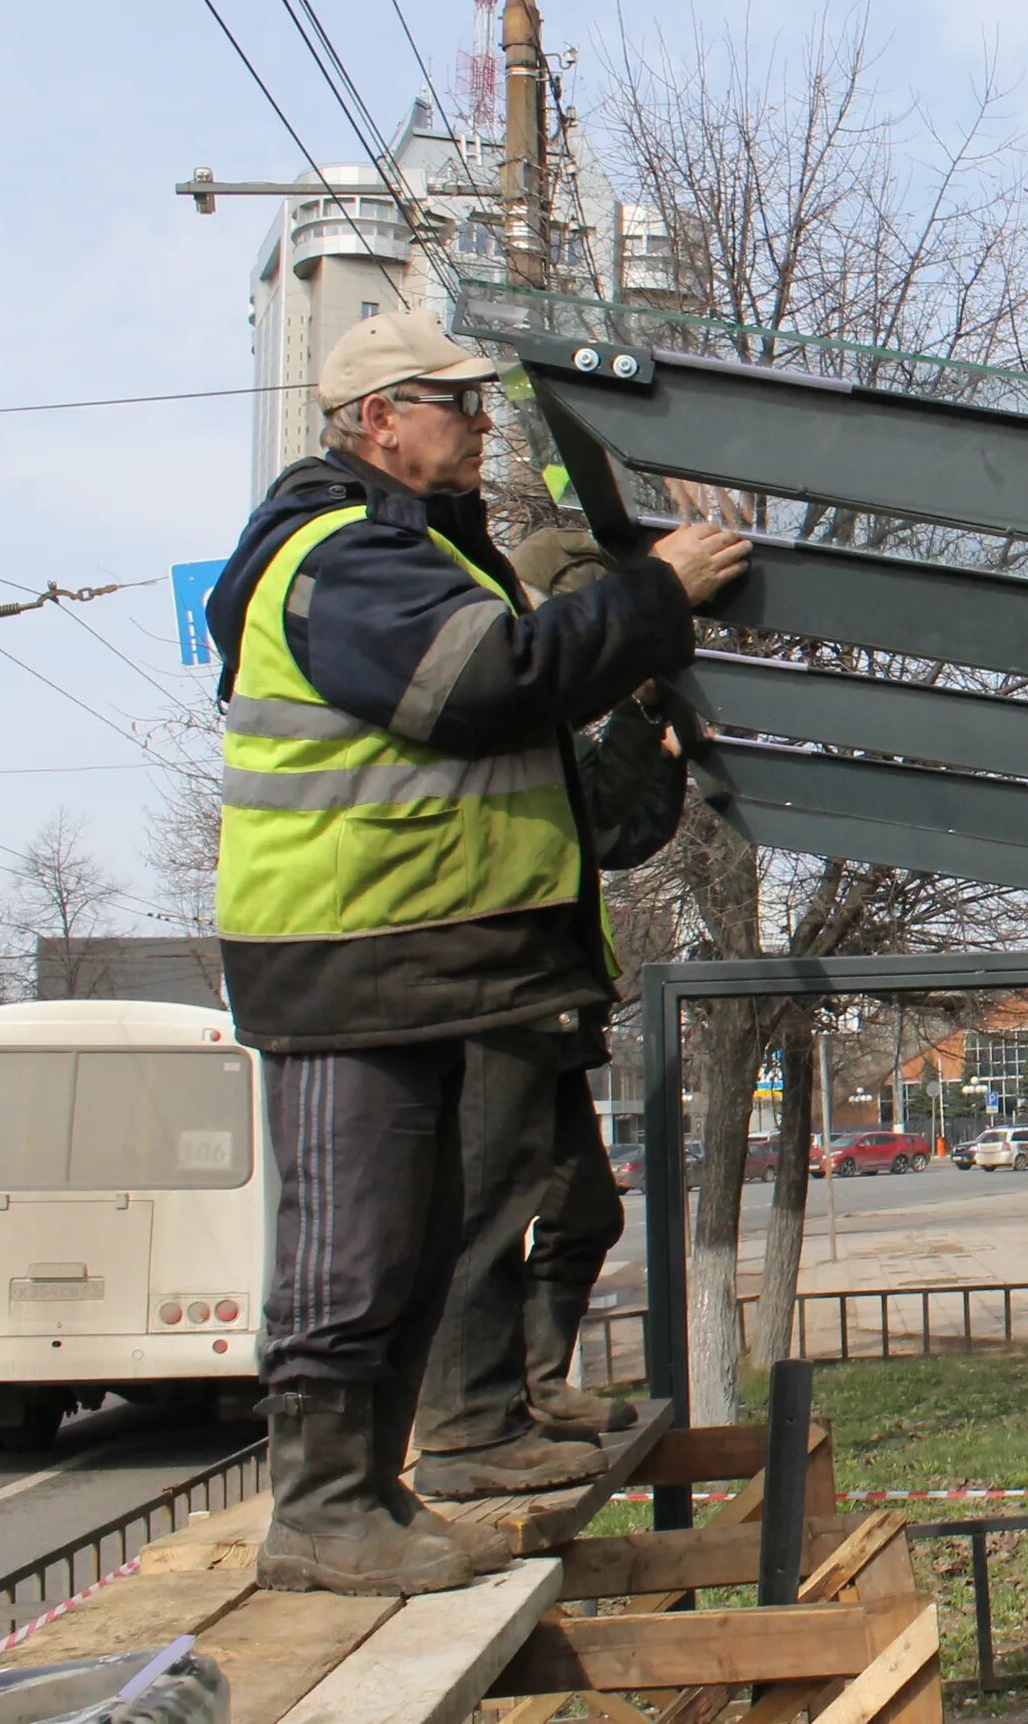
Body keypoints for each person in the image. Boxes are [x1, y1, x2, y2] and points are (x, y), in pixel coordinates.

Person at [208, 309, 749, 1595]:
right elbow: (486, 684)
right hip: (352, 956)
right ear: (377, 420)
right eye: (452, 401)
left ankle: (368, 1498)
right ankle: (326, 1506)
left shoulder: (423, 558)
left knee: (410, 1233)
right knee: (356, 1242)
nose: (479, 417)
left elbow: (529, 745)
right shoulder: (342, 557)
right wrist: (656, 589)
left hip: (423, 954)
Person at [406, 527, 695, 1497]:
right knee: (488, 1214)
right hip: (495, 980)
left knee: (580, 1209)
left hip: (549, 993)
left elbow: (608, 822)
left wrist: (648, 704)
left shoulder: (550, 701)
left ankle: (532, 1387)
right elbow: (599, 805)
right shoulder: (516, 692)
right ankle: (468, 1424)